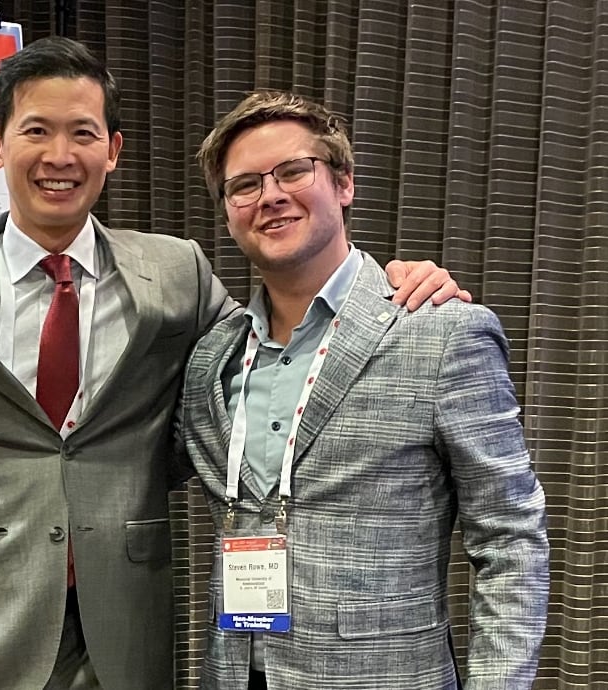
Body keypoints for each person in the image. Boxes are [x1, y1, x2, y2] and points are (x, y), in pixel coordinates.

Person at [0, 38, 467, 690]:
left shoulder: (175, 275)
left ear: (112, 150)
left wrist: (395, 283)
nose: (60, 156)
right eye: (36, 131)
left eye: (82, 133)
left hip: (125, 641)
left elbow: (278, 345)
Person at [178, 90, 550, 689]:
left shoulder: (440, 332)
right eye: (244, 185)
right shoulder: (211, 360)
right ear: (227, 210)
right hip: (236, 674)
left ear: (344, 183)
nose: (270, 196)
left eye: (294, 172)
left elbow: (511, 539)